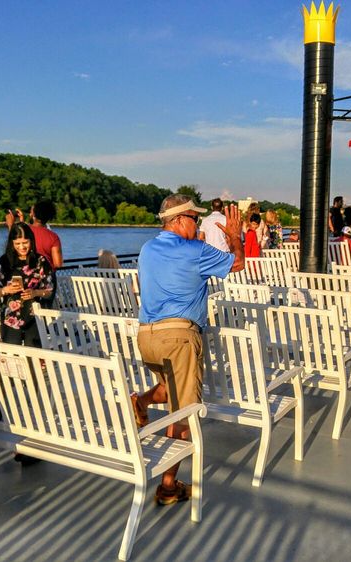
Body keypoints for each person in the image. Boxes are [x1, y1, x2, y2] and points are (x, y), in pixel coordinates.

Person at [132, 194, 244, 506]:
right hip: (179, 338)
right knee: (183, 412)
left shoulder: (147, 249)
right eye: (195, 219)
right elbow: (237, 263)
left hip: (147, 336)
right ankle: (168, 486)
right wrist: (235, 237)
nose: (198, 225)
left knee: (169, 389)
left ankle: (140, 401)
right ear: (180, 220)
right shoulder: (195, 250)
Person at [0, 223, 53, 347]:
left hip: (34, 315)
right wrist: (5, 290)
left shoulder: (41, 261)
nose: (22, 247)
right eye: (17, 243)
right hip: (10, 317)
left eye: (25, 243)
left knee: (34, 353)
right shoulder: (4, 261)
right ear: (11, 243)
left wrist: (35, 292)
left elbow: (49, 290)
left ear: (31, 241)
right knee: (12, 352)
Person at [6, 200, 62, 308]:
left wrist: (10, 226)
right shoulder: (53, 237)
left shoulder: (23, 231)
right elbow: (58, 263)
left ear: (33, 214)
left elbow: (13, 248)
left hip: (23, 276)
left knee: (22, 309)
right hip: (45, 279)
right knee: (45, 311)